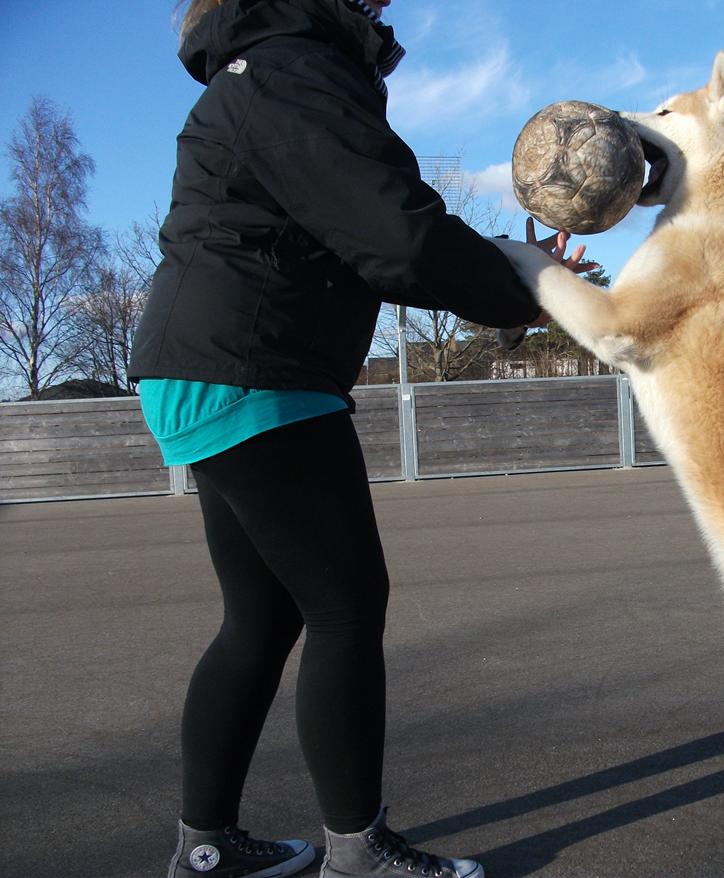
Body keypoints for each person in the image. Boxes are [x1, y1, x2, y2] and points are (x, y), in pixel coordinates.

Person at [129, 1, 594, 876]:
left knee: (261, 620)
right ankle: (360, 855)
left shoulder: (266, 68)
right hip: (255, 365)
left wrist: (507, 271)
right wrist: (520, 291)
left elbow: (358, 230)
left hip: (212, 360)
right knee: (344, 608)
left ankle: (206, 849)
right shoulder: (292, 66)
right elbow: (395, 235)